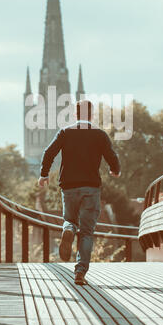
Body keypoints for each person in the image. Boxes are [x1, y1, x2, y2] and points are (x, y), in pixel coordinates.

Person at [38, 100, 121, 285]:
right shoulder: (99, 135)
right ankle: (80, 272)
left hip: (69, 187)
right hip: (91, 188)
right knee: (87, 232)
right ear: (91, 115)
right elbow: (111, 155)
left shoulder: (65, 132)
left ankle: (68, 229)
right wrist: (115, 170)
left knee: (70, 220)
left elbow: (48, 152)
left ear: (75, 115)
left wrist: (44, 174)